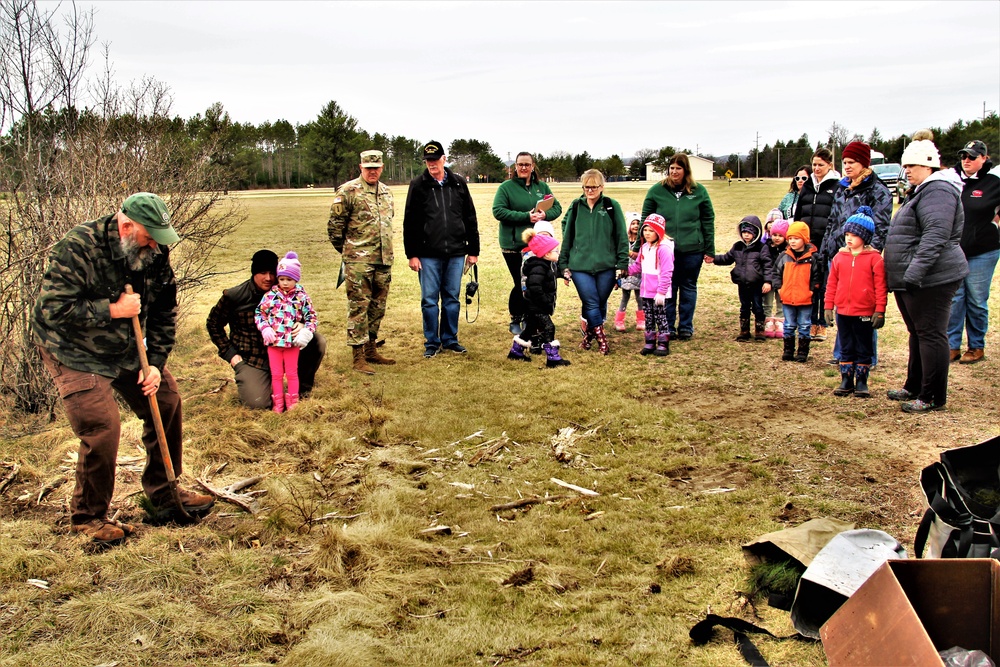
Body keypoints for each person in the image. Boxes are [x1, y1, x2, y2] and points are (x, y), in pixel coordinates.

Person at [32, 192, 214, 545]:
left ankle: (164, 495)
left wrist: (156, 364)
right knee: (102, 424)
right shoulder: (79, 247)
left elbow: (163, 312)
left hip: (125, 348)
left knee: (165, 400)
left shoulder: (154, 252)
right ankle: (88, 517)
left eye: (159, 239)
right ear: (126, 226)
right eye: (149, 237)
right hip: (72, 350)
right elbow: (51, 311)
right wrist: (112, 310)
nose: (155, 246)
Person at [884, 137, 968, 413]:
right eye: (905, 165)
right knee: (918, 333)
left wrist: (915, 271)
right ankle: (914, 385)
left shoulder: (938, 191)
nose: (907, 170)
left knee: (931, 334)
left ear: (929, 166)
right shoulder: (922, 190)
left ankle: (932, 396)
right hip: (915, 278)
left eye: (913, 165)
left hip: (931, 278)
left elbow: (936, 235)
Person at [206, 249, 326, 410]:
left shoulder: (289, 291)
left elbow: (306, 313)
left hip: (286, 347)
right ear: (254, 272)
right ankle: (263, 385)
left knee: (317, 341)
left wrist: (304, 326)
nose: (268, 278)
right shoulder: (235, 296)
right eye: (263, 272)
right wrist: (231, 355)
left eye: (272, 273)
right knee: (258, 403)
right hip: (253, 359)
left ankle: (300, 390)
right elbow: (213, 324)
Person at [403, 140, 480, 359]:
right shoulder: (418, 185)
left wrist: (473, 250)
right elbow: (410, 222)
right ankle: (432, 342)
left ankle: (450, 339)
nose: (431, 164)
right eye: (428, 161)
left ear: (444, 159)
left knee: (452, 299)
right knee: (429, 300)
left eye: (435, 160)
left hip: (456, 252)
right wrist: (412, 254)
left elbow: (470, 216)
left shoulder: (458, 183)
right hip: (428, 255)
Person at [328, 149, 396, 374]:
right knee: (359, 307)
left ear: (382, 167)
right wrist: (350, 253)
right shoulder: (348, 191)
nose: (372, 172)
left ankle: (370, 349)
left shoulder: (386, 192)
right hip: (358, 262)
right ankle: (357, 357)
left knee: (378, 307)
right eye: (368, 168)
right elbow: (335, 229)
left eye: (376, 168)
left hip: (383, 260)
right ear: (361, 167)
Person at [641, 153, 715, 341]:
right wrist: (639, 246)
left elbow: (707, 220)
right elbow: (645, 220)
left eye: (678, 168)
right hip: (665, 249)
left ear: (685, 170)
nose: (674, 172)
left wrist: (709, 249)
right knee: (667, 288)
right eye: (671, 168)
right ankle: (669, 328)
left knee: (688, 287)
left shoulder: (699, 191)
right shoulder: (657, 190)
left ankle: (686, 327)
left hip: (692, 249)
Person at [558, 169, 630, 355]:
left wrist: (622, 263)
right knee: (590, 302)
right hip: (579, 265)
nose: (590, 190)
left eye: (594, 187)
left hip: (606, 265)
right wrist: (563, 264)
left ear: (601, 187)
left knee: (599, 302)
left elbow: (621, 236)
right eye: (586, 187)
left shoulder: (611, 206)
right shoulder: (576, 206)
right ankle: (602, 340)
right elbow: (568, 236)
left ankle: (588, 338)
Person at [492, 152, 562, 335]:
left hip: (537, 246)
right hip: (513, 245)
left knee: (533, 282)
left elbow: (557, 208)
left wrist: (544, 215)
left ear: (533, 166)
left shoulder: (542, 187)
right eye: (520, 164)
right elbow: (498, 211)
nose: (523, 168)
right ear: (515, 167)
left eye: (527, 164)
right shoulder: (506, 188)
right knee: (520, 282)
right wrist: (526, 216)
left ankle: (532, 318)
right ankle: (516, 317)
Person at [823, 208, 887, 398]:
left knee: (863, 347)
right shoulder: (839, 257)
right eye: (847, 234)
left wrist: (880, 310)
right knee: (846, 346)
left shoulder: (875, 259)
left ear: (864, 237)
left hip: (865, 312)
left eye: (854, 235)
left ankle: (861, 382)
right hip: (843, 311)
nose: (849, 239)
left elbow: (881, 287)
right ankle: (846, 380)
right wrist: (828, 306)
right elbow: (831, 283)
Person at [947, 140, 1000, 365]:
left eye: (972, 156)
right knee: (955, 299)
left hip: (984, 251)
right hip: (956, 250)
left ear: (983, 159)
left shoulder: (993, 183)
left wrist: (995, 222)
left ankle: (976, 346)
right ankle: (952, 345)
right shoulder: (952, 180)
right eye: (963, 156)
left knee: (977, 299)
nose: (966, 160)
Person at [254, 252, 317, 413]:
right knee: (276, 375)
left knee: (291, 373)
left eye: (289, 279)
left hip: (292, 343)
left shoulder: (302, 297)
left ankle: (293, 402)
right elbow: (259, 313)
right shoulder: (270, 296)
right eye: (282, 279)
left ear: (296, 279)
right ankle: (278, 403)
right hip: (274, 344)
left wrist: (306, 332)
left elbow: (311, 317)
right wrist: (265, 328)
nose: (285, 283)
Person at [794, 149, 841, 341]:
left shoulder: (837, 186)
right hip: (807, 244)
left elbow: (837, 216)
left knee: (823, 285)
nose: (816, 168)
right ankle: (808, 321)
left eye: (820, 165)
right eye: (814, 164)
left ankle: (821, 323)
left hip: (825, 244)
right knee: (808, 284)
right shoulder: (807, 186)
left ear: (829, 165)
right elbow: (799, 213)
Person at [704, 215, 772, 342]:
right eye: (744, 232)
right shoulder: (737, 247)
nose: (746, 235)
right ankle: (744, 331)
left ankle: (760, 331)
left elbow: (768, 266)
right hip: (742, 283)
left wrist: (768, 281)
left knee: (758, 307)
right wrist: (714, 259)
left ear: (756, 233)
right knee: (744, 307)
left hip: (757, 284)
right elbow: (727, 258)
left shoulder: (762, 248)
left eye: (749, 232)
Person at [508, 229, 570, 367]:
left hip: (535, 305)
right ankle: (553, 358)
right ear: (546, 253)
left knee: (530, 328)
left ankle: (516, 351)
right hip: (537, 306)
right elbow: (535, 287)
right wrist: (545, 301)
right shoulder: (538, 267)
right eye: (555, 251)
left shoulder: (546, 265)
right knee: (549, 327)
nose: (558, 253)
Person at [773, 221, 821, 363]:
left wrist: (812, 291)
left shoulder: (813, 258)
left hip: (806, 299)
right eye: (790, 238)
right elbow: (776, 274)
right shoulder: (784, 256)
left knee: (804, 325)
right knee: (788, 325)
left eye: (796, 238)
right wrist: (780, 289)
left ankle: (802, 351)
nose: (792, 241)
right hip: (787, 298)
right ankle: (788, 350)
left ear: (804, 239)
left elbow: (817, 277)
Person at [626, 214, 674, 356]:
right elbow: (637, 267)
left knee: (661, 317)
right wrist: (624, 271)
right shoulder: (644, 247)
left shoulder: (664, 249)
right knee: (649, 317)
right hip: (646, 290)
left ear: (659, 231)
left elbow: (667, 271)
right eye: (645, 230)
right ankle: (650, 342)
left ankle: (663, 343)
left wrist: (662, 292)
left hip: (659, 292)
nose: (647, 233)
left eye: (651, 230)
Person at [614, 212, 644, 332]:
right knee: (625, 296)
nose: (636, 226)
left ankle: (641, 320)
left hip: (639, 274)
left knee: (640, 297)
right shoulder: (623, 241)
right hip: (626, 273)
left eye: (638, 223)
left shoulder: (642, 241)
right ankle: (619, 320)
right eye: (633, 223)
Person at [763, 219, 788, 337]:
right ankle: (767, 321)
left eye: (780, 235)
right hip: (768, 280)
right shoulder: (766, 248)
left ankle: (779, 321)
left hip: (782, 281)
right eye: (774, 235)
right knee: (767, 301)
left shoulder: (787, 250)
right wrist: (767, 280)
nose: (777, 238)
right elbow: (765, 264)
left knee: (781, 301)